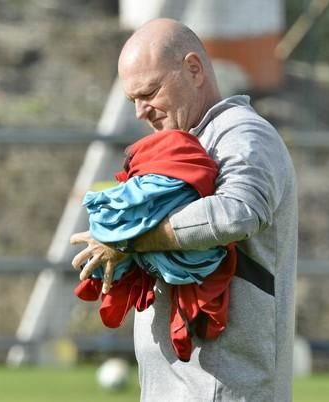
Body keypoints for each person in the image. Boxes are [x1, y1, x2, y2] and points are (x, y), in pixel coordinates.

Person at [70, 18, 298, 402]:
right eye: (133, 101)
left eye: (151, 92)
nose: (141, 112)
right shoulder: (178, 146)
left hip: (227, 387)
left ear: (193, 69)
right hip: (176, 385)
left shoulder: (243, 133)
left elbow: (239, 211)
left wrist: (133, 238)